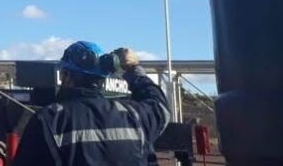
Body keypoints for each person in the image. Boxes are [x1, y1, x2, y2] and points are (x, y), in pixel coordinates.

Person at [14, 41, 170, 166]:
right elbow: (160, 105)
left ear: (67, 76)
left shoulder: (50, 119)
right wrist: (133, 69)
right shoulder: (133, 116)